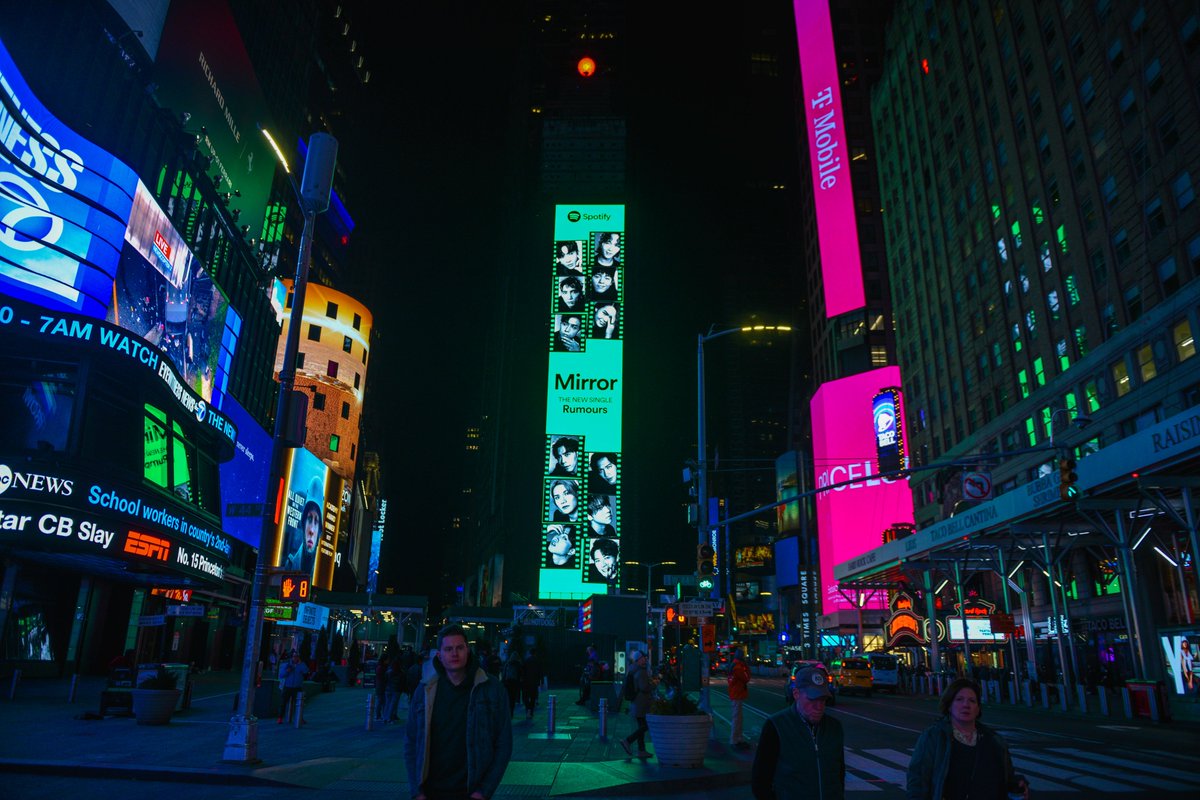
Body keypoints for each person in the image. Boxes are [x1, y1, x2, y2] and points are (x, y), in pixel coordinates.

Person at [404, 624, 512, 800]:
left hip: (471, 791)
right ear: (439, 655)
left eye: (460, 647)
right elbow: (411, 742)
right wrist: (416, 791)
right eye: (448, 649)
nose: (454, 653)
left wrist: (484, 791)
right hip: (431, 790)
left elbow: (504, 743)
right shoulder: (425, 690)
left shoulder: (491, 689)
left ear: (467, 650)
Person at [906, 678, 1028, 800]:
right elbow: (918, 782)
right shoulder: (934, 737)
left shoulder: (994, 741)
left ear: (978, 708)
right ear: (949, 705)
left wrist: (1016, 785)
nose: (966, 705)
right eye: (959, 700)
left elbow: (1006, 778)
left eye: (972, 701)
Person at [752, 664, 844, 800]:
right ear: (796, 694)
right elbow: (761, 780)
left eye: (823, 699)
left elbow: (839, 773)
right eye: (812, 699)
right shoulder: (777, 726)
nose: (819, 706)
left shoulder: (834, 727)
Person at [283, 475, 322, 576]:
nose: (312, 530)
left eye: (316, 521)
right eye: (309, 519)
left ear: (320, 531)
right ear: (303, 524)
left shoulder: (322, 574)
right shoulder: (290, 565)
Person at [618, 651, 654, 758]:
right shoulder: (641, 671)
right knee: (646, 726)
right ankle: (628, 740)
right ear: (639, 659)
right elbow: (644, 687)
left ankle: (641, 750)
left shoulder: (632, 669)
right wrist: (654, 685)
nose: (646, 659)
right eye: (644, 657)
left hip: (636, 702)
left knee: (641, 726)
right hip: (642, 703)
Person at [278, 651, 310, 725]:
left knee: (299, 703)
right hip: (287, 686)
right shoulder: (287, 664)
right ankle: (280, 718)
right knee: (283, 703)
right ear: (291, 657)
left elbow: (306, 671)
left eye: (297, 656)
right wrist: (287, 671)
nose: (296, 658)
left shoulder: (301, 664)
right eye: (294, 656)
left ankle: (299, 718)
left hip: (297, 687)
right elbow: (281, 675)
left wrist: (301, 664)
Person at [728, 648, 751, 748]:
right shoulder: (738, 667)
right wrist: (746, 667)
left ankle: (738, 738)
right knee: (737, 718)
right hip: (737, 694)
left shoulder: (734, 665)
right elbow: (746, 678)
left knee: (738, 718)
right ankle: (734, 740)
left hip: (735, 693)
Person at [521, 648, 544, 720]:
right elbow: (541, 671)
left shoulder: (527, 661)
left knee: (525, 697)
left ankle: (528, 709)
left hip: (526, 682)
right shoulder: (538, 661)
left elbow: (523, 671)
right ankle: (531, 711)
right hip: (534, 682)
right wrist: (541, 680)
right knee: (533, 697)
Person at [385, 655, 407, 723]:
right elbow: (402, 681)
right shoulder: (400, 672)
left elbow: (385, 680)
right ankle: (390, 717)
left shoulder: (389, 672)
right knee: (393, 704)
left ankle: (386, 717)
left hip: (388, 689)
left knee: (388, 703)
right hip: (396, 690)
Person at [502, 651, 523, 718]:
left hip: (507, 682)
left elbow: (504, 673)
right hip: (514, 683)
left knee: (508, 697)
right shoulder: (518, 664)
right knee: (513, 698)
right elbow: (520, 674)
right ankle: (511, 712)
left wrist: (503, 681)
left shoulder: (508, 663)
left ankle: (507, 711)